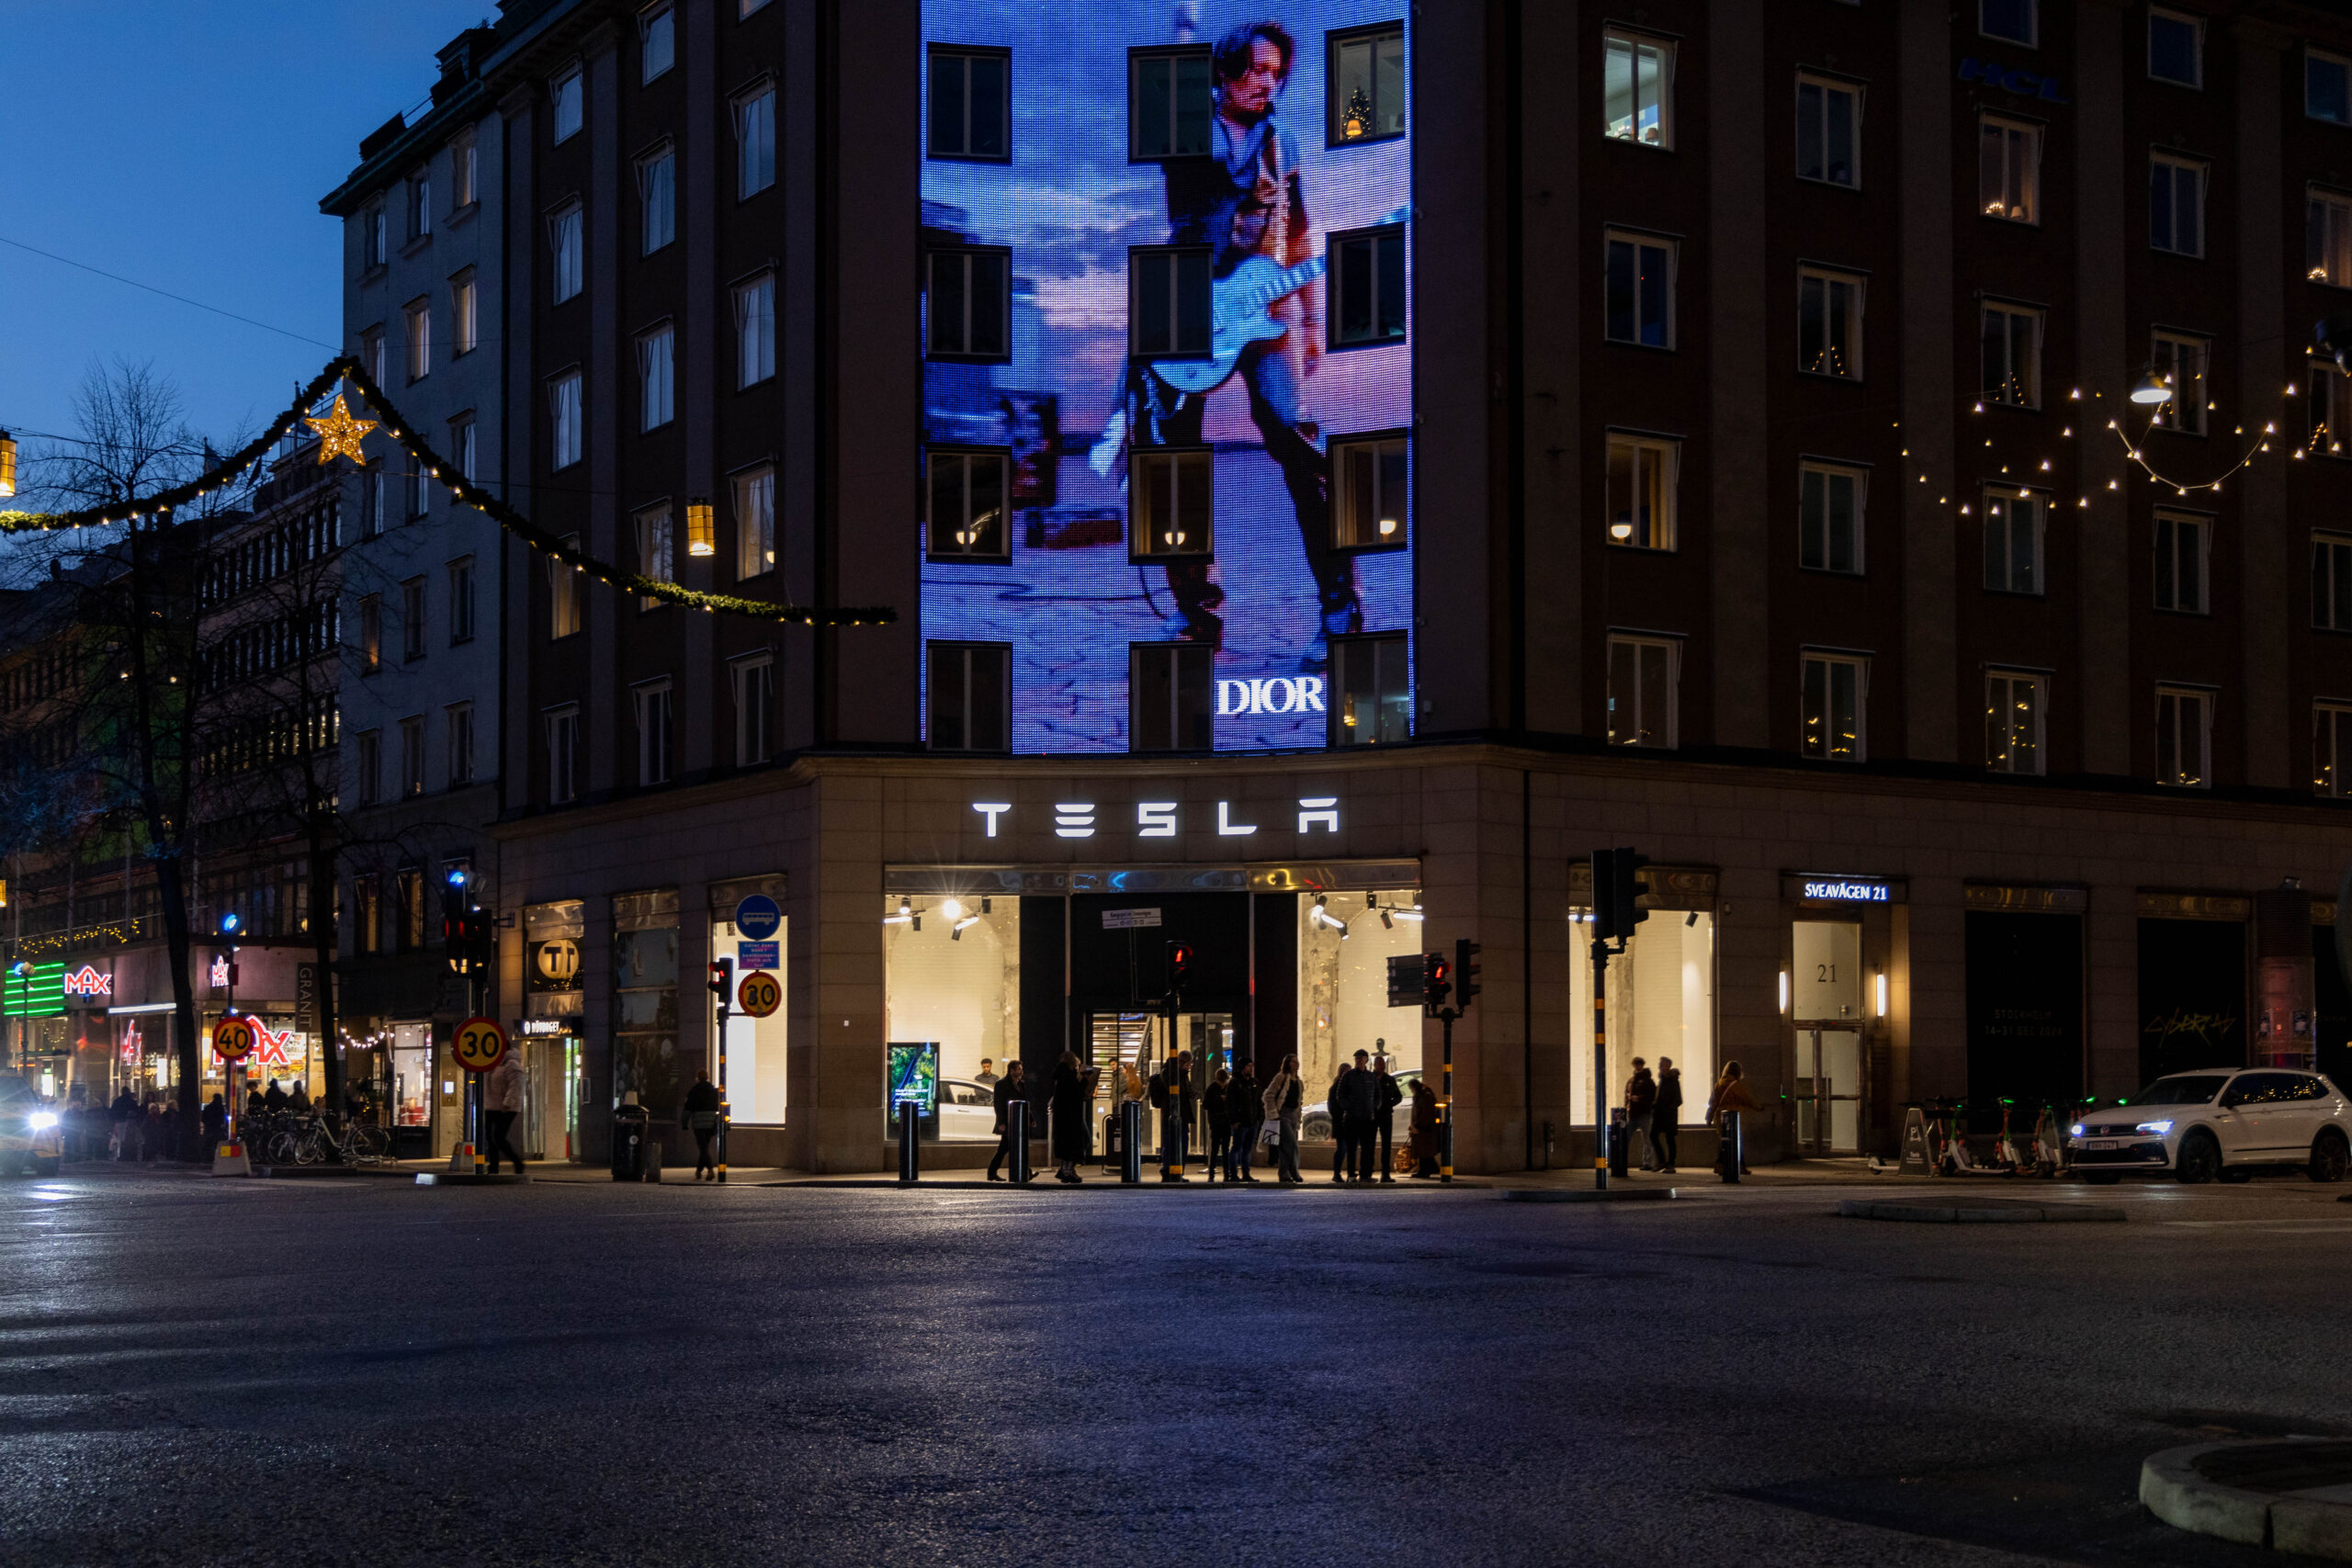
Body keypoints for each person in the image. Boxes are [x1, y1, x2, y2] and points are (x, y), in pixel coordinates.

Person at [1097, 20, 1357, 662]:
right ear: (1224, 70)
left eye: (1275, 72)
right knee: (1172, 467)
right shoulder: (1186, 124)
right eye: (1254, 68)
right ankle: (1196, 615)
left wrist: (1313, 322)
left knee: (1298, 446)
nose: (1265, 81)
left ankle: (1340, 611)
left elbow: (1298, 231)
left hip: (1260, 312)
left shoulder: (1284, 142)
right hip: (1182, 306)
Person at [1332, 1049, 1379, 1183]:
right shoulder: (1348, 1076)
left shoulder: (1371, 1077)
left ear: (1366, 1060)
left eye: (1361, 1058)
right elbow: (1340, 1095)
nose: (1358, 1061)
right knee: (1351, 1148)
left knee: (1367, 1148)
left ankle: (1365, 1175)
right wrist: (1348, 1107)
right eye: (1357, 1058)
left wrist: (1373, 1107)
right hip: (1352, 1118)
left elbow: (1377, 1095)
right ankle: (1351, 1175)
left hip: (1366, 1118)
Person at [1148, 1049, 1194, 1182]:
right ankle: (1168, 1172)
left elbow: (1185, 1089)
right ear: (1182, 1062)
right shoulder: (1168, 1071)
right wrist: (1182, 1072)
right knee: (1170, 1145)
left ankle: (1178, 1172)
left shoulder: (1182, 1073)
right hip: (1171, 1115)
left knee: (1182, 1145)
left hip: (1181, 1115)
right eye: (1188, 1064)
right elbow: (1172, 1086)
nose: (1189, 1067)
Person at [986, 1060, 1034, 1182]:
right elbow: (998, 1104)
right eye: (1019, 1069)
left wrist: (1031, 1118)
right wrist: (1001, 1122)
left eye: (1021, 1069)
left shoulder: (1021, 1084)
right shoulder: (1001, 1084)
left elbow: (1024, 1102)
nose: (1021, 1072)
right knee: (1006, 1148)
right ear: (1012, 1070)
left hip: (1018, 1122)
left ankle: (993, 1173)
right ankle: (993, 1172)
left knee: (1009, 1147)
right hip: (1008, 1122)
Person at [1709, 1061, 1758, 1177]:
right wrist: (1759, 1108)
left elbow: (1714, 1102)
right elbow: (1747, 1099)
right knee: (1737, 1143)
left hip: (1721, 1117)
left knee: (1724, 1142)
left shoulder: (1719, 1084)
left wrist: (1710, 1117)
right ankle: (1740, 1166)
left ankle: (1720, 1165)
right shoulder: (1736, 1085)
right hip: (1735, 1117)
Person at [487, 1051, 529, 1177]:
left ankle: (517, 1162)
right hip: (490, 1105)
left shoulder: (512, 1065)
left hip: (505, 1107)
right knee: (489, 1138)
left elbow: (516, 1085)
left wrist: (508, 1102)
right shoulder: (491, 1063)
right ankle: (493, 1167)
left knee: (498, 1138)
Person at [1050, 1050, 1090, 1184]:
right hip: (1071, 1118)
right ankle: (1067, 1170)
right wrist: (1084, 1081)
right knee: (1080, 1141)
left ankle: (1066, 1169)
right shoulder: (1068, 1076)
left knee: (1073, 1143)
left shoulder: (1062, 1076)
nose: (1078, 1068)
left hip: (1066, 1117)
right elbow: (1075, 1095)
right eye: (1077, 1065)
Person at [1265, 1054, 1305, 1184]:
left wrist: (1298, 1115)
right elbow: (1268, 1095)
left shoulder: (1298, 1082)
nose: (1296, 1064)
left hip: (1293, 1115)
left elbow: (1299, 1100)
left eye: (1297, 1061)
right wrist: (1273, 1113)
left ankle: (1286, 1174)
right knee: (1291, 1144)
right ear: (1287, 1064)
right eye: (1293, 1062)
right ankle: (1291, 1172)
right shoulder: (1281, 1077)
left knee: (1287, 1146)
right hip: (1283, 1114)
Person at [1227, 1059, 1262, 1183]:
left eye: (1252, 1066)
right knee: (1237, 1147)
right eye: (1248, 1066)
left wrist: (1258, 1118)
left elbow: (1258, 1101)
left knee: (1247, 1148)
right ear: (1242, 1067)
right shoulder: (1235, 1083)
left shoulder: (1254, 1083)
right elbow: (1230, 1103)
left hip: (1252, 1121)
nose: (1250, 1068)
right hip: (1241, 1121)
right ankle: (1233, 1174)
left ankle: (1246, 1173)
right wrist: (1234, 1120)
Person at [678, 1069, 718, 1180]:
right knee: (704, 1147)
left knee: (703, 1147)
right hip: (710, 1123)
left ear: (698, 1078)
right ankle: (699, 1171)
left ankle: (710, 1170)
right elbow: (717, 1106)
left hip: (699, 1123)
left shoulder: (694, 1091)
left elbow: (688, 1109)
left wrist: (684, 1123)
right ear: (708, 1077)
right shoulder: (713, 1090)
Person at [1372, 1054, 1404, 1182]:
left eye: (1383, 1065)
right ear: (1375, 1065)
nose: (1382, 1067)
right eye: (1380, 1065)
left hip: (1385, 1115)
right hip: (1372, 1115)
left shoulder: (1389, 1079)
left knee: (1387, 1145)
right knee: (1369, 1144)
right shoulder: (1370, 1078)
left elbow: (1398, 1096)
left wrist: (1389, 1104)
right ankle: (1368, 1172)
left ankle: (1385, 1174)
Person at [1624, 1057, 1657, 1172]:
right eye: (1636, 1065)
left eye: (1639, 1065)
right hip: (1633, 1114)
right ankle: (1621, 1161)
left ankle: (1648, 1163)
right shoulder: (1632, 1080)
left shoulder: (1647, 1080)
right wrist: (1627, 1107)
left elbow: (1652, 1096)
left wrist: (1639, 1099)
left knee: (1646, 1139)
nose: (1637, 1067)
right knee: (1626, 1137)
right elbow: (1627, 1096)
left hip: (1644, 1113)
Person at [1203, 1066, 1234, 1183]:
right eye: (1221, 1082)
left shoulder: (1227, 1088)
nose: (1223, 1084)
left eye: (1224, 1082)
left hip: (1225, 1123)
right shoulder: (1212, 1089)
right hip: (1216, 1123)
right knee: (1215, 1150)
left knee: (1225, 1150)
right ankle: (1211, 1174)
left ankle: (1227, 1174)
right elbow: (1205, 1104)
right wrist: (1219, 1099)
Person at [1653, 1056, 1684, 1174]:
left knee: (1669, 1139)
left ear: (1667, 1066)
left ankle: (1670, 1164)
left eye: (1661, 1065)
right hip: (1660, 1114)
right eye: (1659, 1064)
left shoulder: (1673, 1081)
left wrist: (1668, 1108)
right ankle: (1662, 1161)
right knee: (1653, 1135)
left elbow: (1678, 1100)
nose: (1659, 1066)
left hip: (1669, 1115)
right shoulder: (1662, 1080)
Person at [1409, 1076, 1442, 1178]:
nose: (1411, 1091)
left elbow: (1426, 1113)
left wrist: (1417, 1126)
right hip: (1422, 1127)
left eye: (1411, 1089)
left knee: (1424, 1149)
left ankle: (1426, 1171)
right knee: (1423, 1150)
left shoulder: (1425, 1096)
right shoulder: (1421, 1095)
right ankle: (1429, 1169)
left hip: (1425, 1128)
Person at [109, 1087, 140, 1162]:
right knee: (129, 1140)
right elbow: (137, 1111)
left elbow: (112, 1112)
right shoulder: (131, 1101)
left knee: (119, 1140)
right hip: (129, 1123)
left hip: (119, 1122)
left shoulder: (117, 1101)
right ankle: (128, 1155)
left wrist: (114, 1121)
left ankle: (120, 1155)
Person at [200, 1092, 228, 1158]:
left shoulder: (208, 1107)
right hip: (218, 1128)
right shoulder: (221, 1107)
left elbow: (203, 1118)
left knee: (208, 1142)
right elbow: (223, 1118)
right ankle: (219, 1155)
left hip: (209, 1127)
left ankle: (208, 1156)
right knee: (219, 1142)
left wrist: (207, 1123)